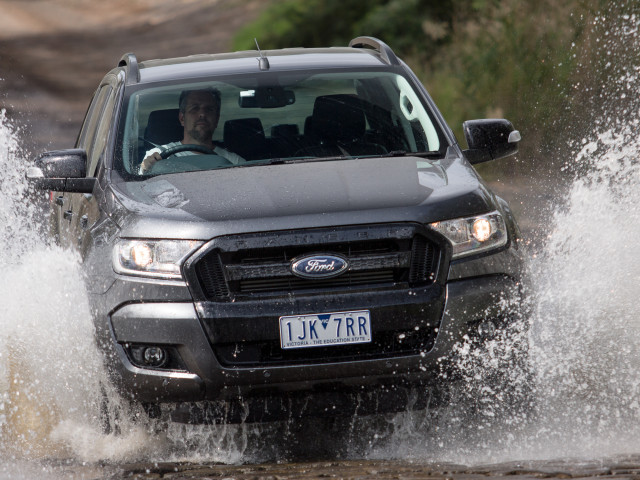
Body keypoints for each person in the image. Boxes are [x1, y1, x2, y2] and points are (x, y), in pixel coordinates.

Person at [139, 88, 243, 174]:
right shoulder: (157, 156)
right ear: (182, 118)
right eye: (195, 108)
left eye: (209, 109)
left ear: (217, 119)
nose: (202, 114)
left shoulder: (234, 162)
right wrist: (146, 169)